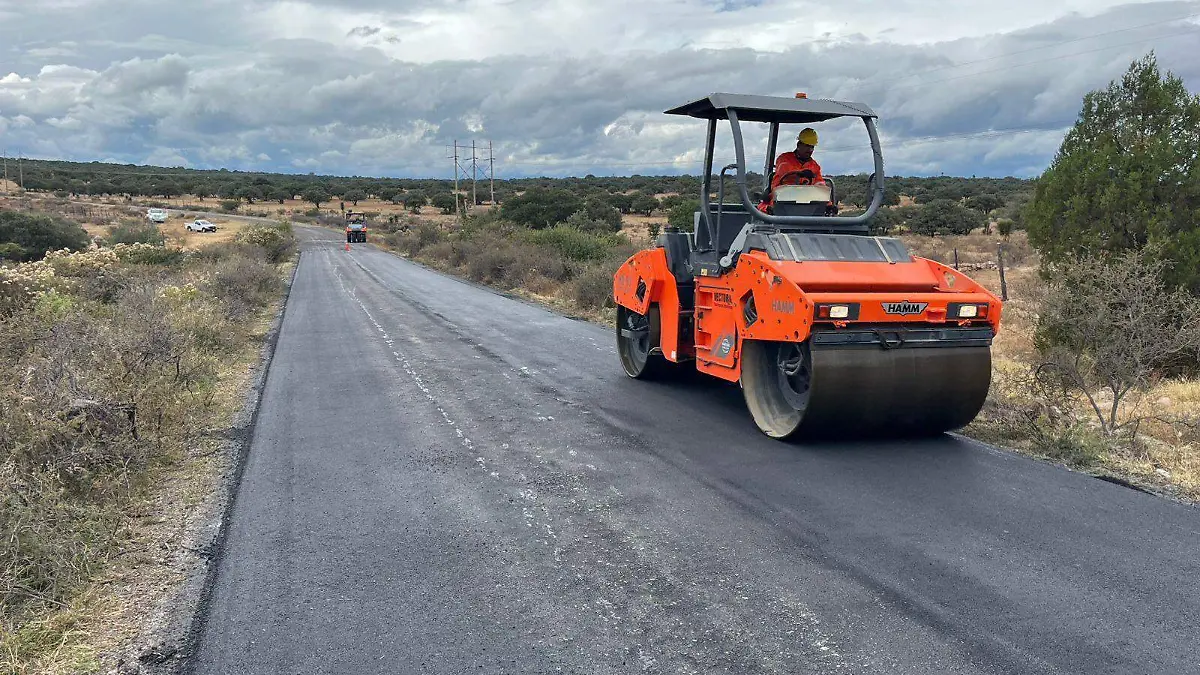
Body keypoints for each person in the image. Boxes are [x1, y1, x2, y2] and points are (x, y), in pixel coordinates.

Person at [759, 127, 826, 212]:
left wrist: (829, 205)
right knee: (765, 207)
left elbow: (821, 187)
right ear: (799, 145)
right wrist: (800, 173)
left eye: (812, 147)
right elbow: (784, 172)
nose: (810, 150)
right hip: (781, 200)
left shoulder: (815, 166)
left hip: (806, 205)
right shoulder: (784, 158)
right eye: (807, 146)